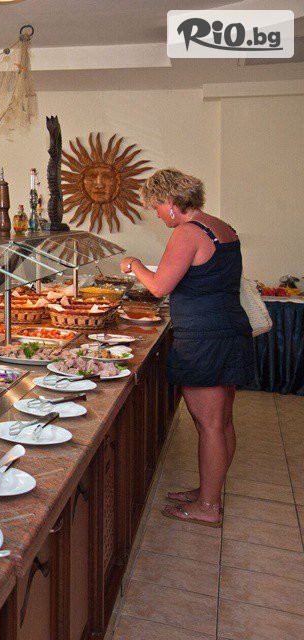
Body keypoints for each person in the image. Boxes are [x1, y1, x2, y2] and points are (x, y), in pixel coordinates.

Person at [121, 168, 253, 528]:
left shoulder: (187, 232)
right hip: (229, 330)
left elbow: (159, 286)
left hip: (204, 339)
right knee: (221, 422)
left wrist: (134, 265)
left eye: (155, 207)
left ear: (170, 202)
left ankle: (208, 506)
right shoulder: (221, 227)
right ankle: (209, 490)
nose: (156, 214)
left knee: (209, 424)